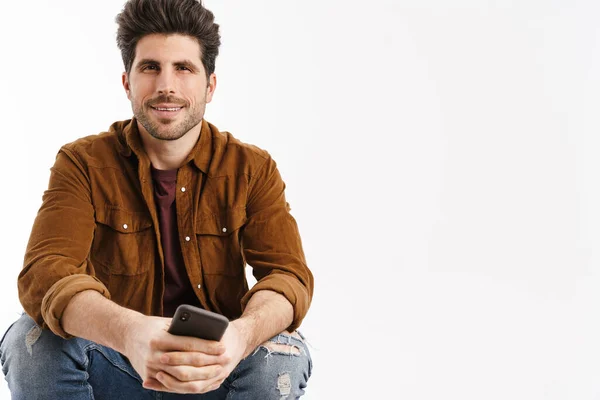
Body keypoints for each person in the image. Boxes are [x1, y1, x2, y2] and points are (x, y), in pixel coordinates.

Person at [0, 0, 314, 398]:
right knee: (29, 341)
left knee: (282, 354)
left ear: (209, 85)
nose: (166, 85)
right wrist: (129, 332)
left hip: (215, 371)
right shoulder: (81, 163)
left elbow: (287, 277)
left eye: (184, 68)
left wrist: (240, 336)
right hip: (116, 363)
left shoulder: (252, 168)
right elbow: (45, 274)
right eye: (150, 67)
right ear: (127, 82)